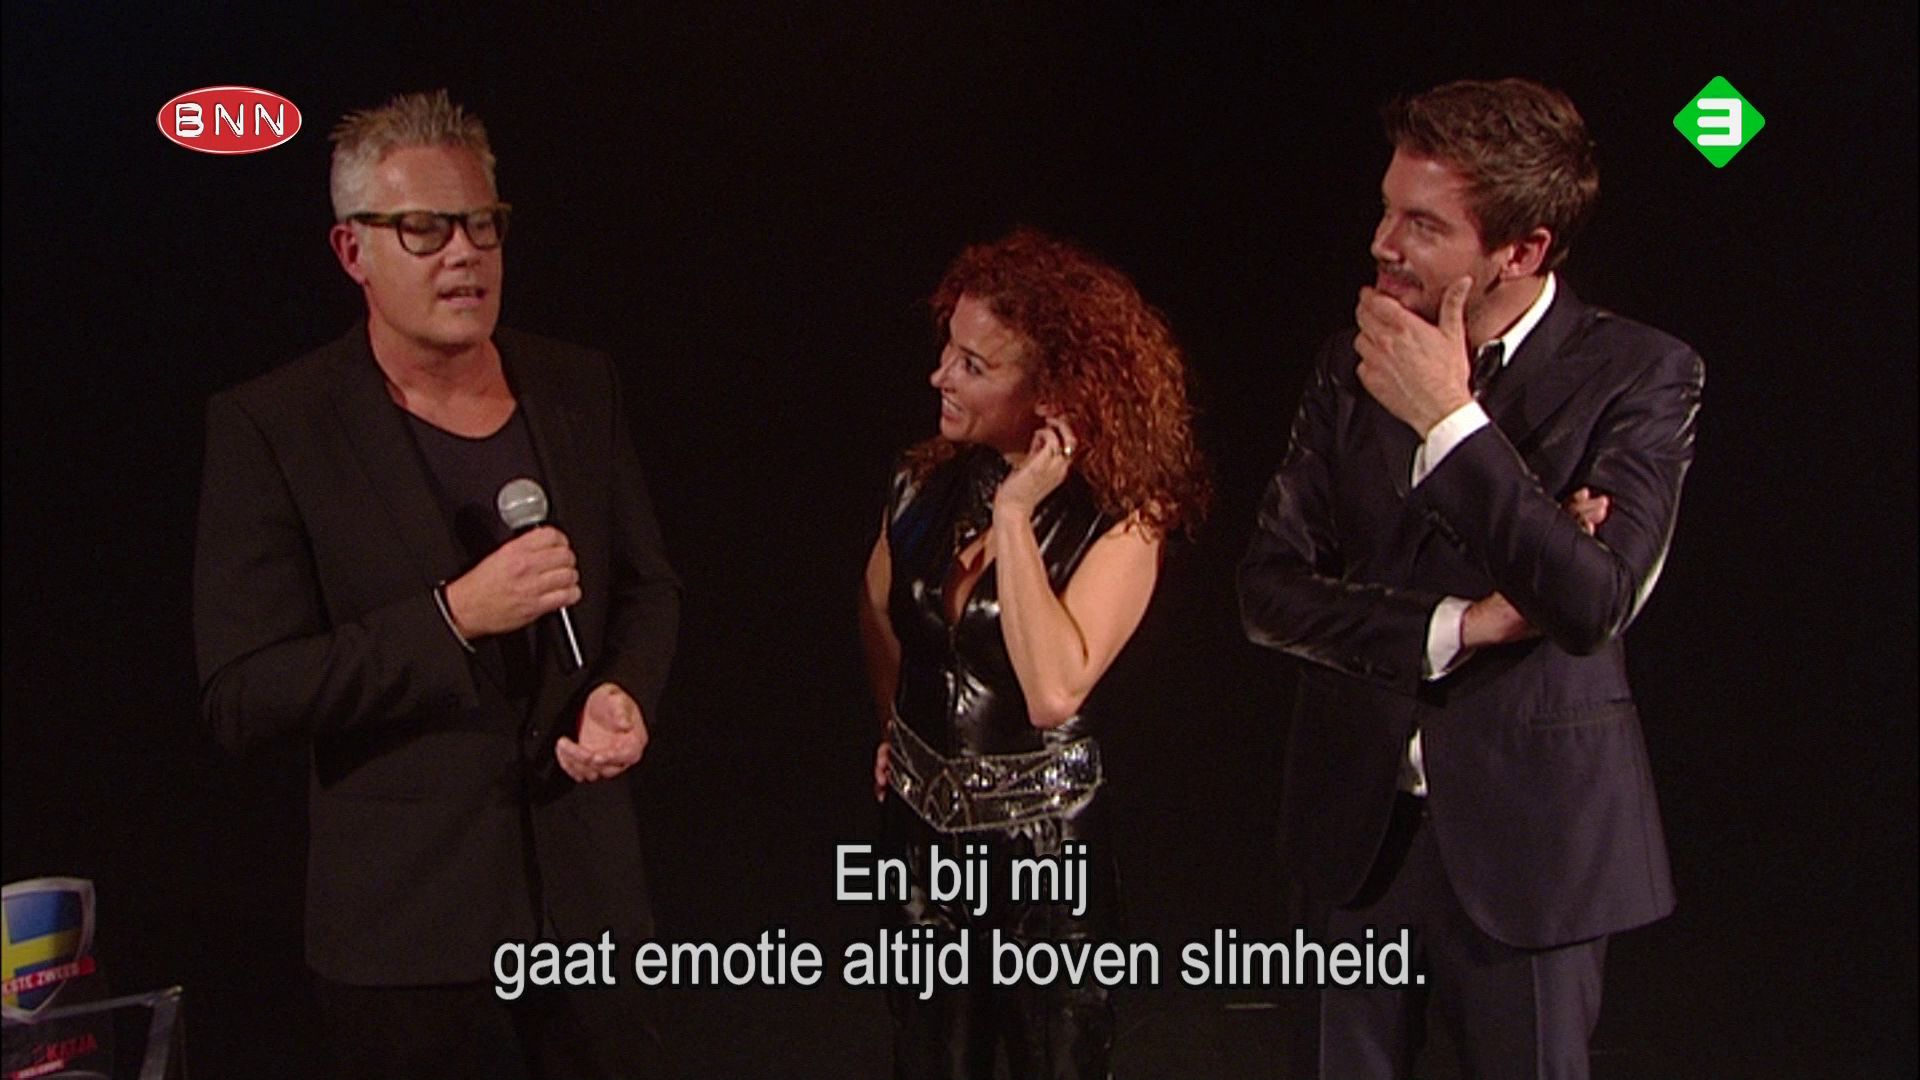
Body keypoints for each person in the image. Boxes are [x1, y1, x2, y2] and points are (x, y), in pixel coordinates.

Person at [193, 90, 680, 1079]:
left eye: (482, 225)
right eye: (424, 229)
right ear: (352, 251)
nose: (464, 255)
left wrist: (621, 691)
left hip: (588, 917)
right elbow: (244, 693)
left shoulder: (577, 386)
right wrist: (454, 619)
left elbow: (647, 590)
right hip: (407, 942)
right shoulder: (277, 426)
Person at [1238, 78, 1703, 1078]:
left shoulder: (1642, 373)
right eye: (1386, 210)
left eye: (1422, 225)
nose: (1382, 243)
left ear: (1521, 251)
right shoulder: (1348, 365)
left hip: (1534, 849)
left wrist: (1451, 421)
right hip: (1356, 837)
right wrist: (1462, 624)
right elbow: (1269, 593)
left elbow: (1590, 601)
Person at [859, 228, 1208, 1079]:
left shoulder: (1124, 517)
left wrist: (1016, 517)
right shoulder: (923, 482)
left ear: (1053, 390)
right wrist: (897, 730)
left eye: (974, 366)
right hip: (921, 849)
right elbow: (878, 608)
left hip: (1043, 864)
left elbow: (1053, 688)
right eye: (949, 349)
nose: (940, 376)